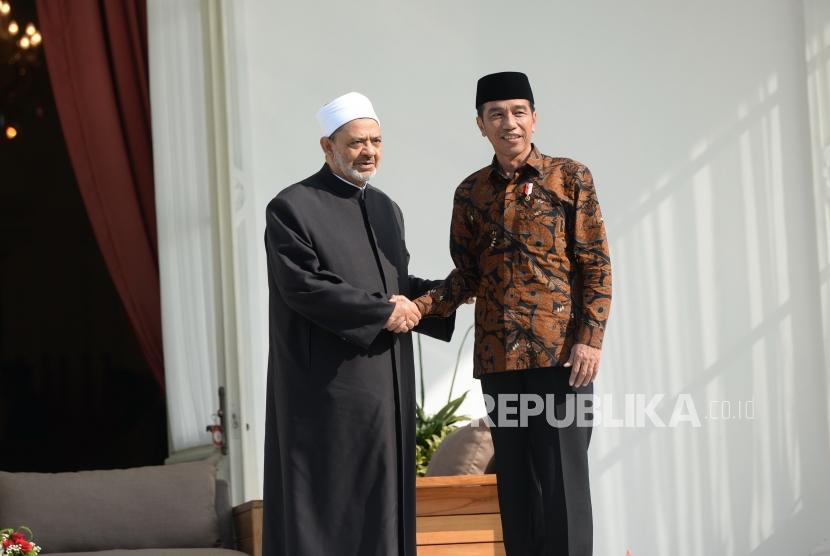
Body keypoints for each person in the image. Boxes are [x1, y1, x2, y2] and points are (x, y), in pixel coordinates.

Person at [413, 72, 612, 555]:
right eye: (497, 114)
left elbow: (596, 263)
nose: (510, 123)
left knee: (564, 488)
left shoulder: (571, 177)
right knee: (517, 491)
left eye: (519, 112)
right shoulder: (471, 193)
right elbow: (467, 277)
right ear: (480, 125)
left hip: (562, 360)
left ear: (534, 118)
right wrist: (416, 307)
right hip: (499, 363)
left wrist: (590, 338)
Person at [262, 92, 455, 556]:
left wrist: (451, 293)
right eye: (356, 143)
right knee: (329, 511)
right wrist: (384, 312)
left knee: (386, 506)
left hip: (386, 390)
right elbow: (305, 286)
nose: (369, 151)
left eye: (376, 141)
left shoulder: (388, 208)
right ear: (327, 147)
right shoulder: (291, 207)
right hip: (326, 395)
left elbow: (396, 283)